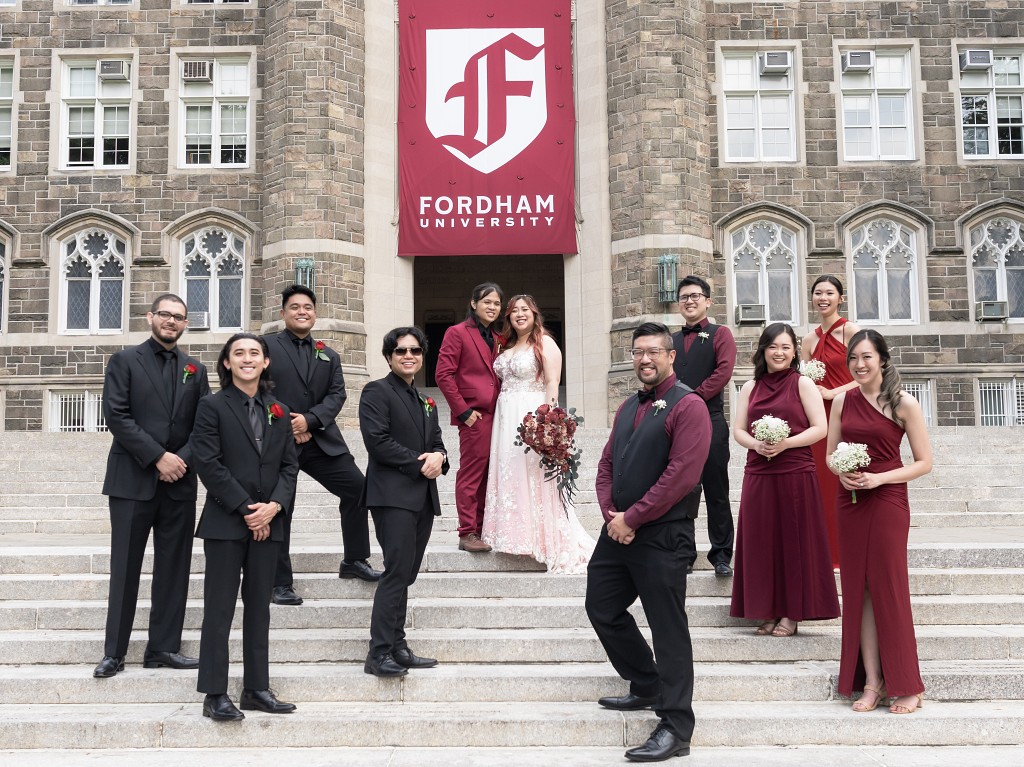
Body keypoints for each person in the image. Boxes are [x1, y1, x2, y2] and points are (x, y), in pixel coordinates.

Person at [586, 322, 711, 763]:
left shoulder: (688, 406)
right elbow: (606, 465)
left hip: (663, 535)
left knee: (668, 629)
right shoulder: (626, 408)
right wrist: (611, 516)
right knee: (601, 606)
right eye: (638, 352)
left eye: (654, 352)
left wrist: (633, 518)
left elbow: (682, 476)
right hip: (618, 532)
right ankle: (645, 683)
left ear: (670, 355)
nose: (645, 359)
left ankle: (676, 726)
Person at [94, 294, 210, 679]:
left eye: (178, 317)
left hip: (179, 483)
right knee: (124, 568)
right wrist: (158, 457)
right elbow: (118, 415)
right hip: (133, 479)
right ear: (151, 317)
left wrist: (181, 460)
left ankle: (163, 647)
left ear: (185, 323)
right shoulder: (125, 361)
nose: (171, 322)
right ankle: (114, 652)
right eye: (165, 314)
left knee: (173, 568)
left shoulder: (195, 368)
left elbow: (204, 425)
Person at [192, 333, 299, 721]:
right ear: (227, 363)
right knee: (218, 610)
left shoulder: (280, 410)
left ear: (266, 362)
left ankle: (256, 688)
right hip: (225, 523)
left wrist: (272, 508)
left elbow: (289, 466)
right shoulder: (211, 406)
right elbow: (208, 462)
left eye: (255, 353)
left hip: (269, 524)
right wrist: (245, 509)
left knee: (259, 609)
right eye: (239, 353)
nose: (247, 358)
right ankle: (214, 693)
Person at [828, 329, 931, 716]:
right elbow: (829, 456)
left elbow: (924, 462)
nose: (859, 365)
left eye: (867, 357)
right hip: (850, 500)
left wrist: (880, 478)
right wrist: (841, 473)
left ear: (883, 360)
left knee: (888, 588)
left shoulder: (904, 403)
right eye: (853, 358)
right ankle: (872, 681)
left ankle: (907, 683)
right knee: (858, 592)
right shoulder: (841, 401)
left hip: (887, 499)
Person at [264, 284, 381, 607]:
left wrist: (311, 421)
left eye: (308, 308)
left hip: (321, 441)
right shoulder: (264, 347)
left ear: (315, 313)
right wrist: (291, 421)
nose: (302, 312)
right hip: (278, 441)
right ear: (283, 312)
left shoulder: (329, 354)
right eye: (295, 307)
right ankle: (279, 582)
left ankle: (354, 560)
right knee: (280, 506)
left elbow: (337, 394)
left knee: (358, 489)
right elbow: (258, 389)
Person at [729, 323, 840, 638]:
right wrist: (757, 444)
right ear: (763, 350)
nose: (779, 352)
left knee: (793, 541)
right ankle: (767, 609)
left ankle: (792, 613)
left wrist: (786, 443)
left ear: (794, 353)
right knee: (762, 541)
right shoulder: (751, 386)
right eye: (773, 346)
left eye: (786, 347)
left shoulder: (802, 383)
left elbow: (820, 427)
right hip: (759, 471)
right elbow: (738, 430)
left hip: (794, 470)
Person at [481, 295, 594, 573]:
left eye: (525, 310)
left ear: (534, 314)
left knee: (531, 471)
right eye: (514, 311)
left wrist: (549, 424)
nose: (520, 314)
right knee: (510, 470)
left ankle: (540, 538)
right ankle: (513, 535)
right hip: (505, 417)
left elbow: (553, 383)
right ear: (508, 317)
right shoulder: (505, 345)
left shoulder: (545, 343)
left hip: (530, 413)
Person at [359, 327, 448, 677]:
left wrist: (440, 457)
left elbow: (438, 443)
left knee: (406, 574)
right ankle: (378, 653)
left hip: (422, 498)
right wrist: (420, 462)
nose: (408, 355)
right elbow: (377, 442)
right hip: (392, 496)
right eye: (400, 351)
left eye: (415, 350)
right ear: (389, 357)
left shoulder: (426, 400)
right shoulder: (376, 391)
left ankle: (397, 645)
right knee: (396, 572)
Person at [671, 275, 736, 576]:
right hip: (676, 426)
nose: (689, 301)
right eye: (684, 296)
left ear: (708, 301)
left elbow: (723, 373)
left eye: (695, 296)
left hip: (709, 421)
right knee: (682, 489)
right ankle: (684, 553)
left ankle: (721, 555)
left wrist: (692, 400)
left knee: (716, 490)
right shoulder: (668, 340)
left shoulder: (721, 334)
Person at [435, 283, 503, 552]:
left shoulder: (498, 338)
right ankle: (467, 533)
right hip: (474, 416)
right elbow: (443, 374)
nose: (492, 307)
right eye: (487, 301)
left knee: (490, 475)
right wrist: (463, 411)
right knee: (472, 475)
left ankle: (483, 528)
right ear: (474, 303)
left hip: (498, 415)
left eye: (497, 303)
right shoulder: (457, 333)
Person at [801, 275, 861, 570]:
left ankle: (846, 551)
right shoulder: (808, 340)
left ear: (841, 298)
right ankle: (823, 551)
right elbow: (800, 381)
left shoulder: (851, 331)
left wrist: (833, 392)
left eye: (829, 293)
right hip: (817, 415)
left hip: (847, 409)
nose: (822, 298)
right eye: (817, 293)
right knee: (820, 482)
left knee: (842, 479)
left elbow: (868, 374)